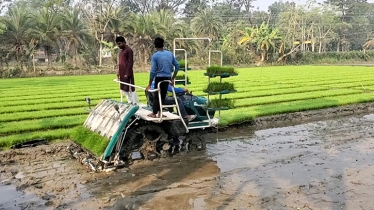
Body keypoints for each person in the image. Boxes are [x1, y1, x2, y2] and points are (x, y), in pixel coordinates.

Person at [146, 37, 179, 118]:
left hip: (159, 78)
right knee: (163, 95)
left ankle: (154, 113)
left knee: (157, 96)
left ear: (155, 46)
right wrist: (172, 78)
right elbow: (177, 66)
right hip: (167, 78)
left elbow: (153, 71)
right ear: (163, 44)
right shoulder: (170, 54)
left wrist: (149, 84)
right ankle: (160, 113)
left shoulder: (155, 56)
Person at [116, 36, 139, 104]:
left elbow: (130, 62)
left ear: (124, 42)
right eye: (118, 44)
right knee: (123, 88)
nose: (119, 45)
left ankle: (135, 102)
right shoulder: (121, 52)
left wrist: (127, 73)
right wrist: (118, 72)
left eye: (119, 44)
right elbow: (120, 63)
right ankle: (129, 100)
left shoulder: (129, 50)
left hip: (127, 72)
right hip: (122, 72)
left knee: (131, 88)